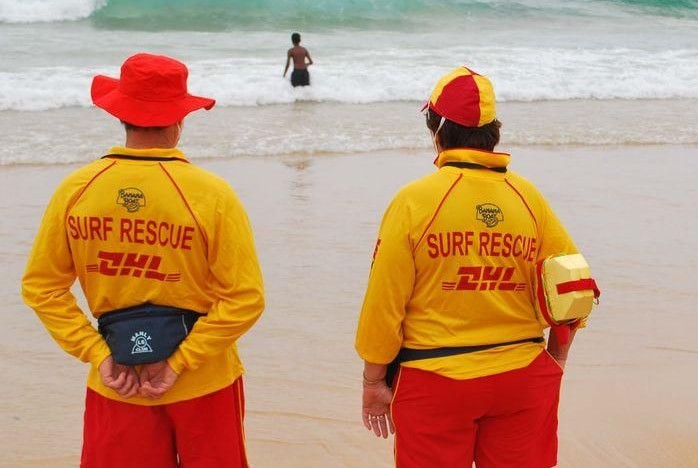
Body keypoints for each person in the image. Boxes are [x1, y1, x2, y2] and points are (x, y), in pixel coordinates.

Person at [21, 52, 265, 468]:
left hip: (117, 380)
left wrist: (97, 353)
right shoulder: (211, 194)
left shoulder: (77, 190)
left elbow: (41, 288)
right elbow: (245, 298)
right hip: (203, 380)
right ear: (180, 119)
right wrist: (179, 362)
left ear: (121, 115)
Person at [355, 66, 588, 467]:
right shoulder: (528, 196)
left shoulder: (415, 201)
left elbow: (384, 302)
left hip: (436, 381)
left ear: (437, 129)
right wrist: (555, 362)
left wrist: (374, 380)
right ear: (493, 132)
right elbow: (574, 290)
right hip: (523, 377)